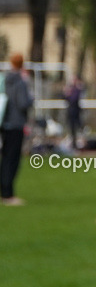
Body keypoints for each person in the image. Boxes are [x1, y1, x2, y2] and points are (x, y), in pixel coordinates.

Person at [1, 53, 34, 206]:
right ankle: (8, 194)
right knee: (12, 160)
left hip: (5, 122)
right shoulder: (20, 82)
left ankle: (4, 191)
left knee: (5, 158)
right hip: (16, 124)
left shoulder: (5, 80)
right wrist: (31, 98)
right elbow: (23, 103)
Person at [63, 76, 84, 149]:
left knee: (78, 128)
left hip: (76, 113)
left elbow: (74, 99)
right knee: (71, 129)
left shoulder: (77, 90)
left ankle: (80, 144)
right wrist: (66, 93)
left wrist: (69, 94)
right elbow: (66, 99)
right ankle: (73, 144)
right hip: (70, 112)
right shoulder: (70, 89)